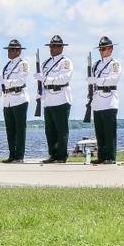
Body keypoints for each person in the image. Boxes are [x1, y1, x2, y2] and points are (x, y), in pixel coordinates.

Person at [38, 35, 73, 164]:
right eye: (52, 46)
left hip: (61, 97)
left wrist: (46, 80)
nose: (53, 49)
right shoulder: (45, 63)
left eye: (56, 46)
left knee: (61, 130)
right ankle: (53, 154)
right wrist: (40, 91)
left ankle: (62, 155)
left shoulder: (65, 62)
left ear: (62, 48)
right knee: (50, 130)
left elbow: (64, 78)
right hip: (48, 99)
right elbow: (42, 82)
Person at [88, 36, 121, 165]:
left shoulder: (114, 64)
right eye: (100, 49)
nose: (101, 51)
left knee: (109, 131)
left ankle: (111, 156)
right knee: (100, 132)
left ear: (111, 49)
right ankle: (102, 156)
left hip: (109, 99)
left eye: (104, 48)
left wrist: (97, 81)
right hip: (97, 99)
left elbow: (113, 79)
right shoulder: (96, 64)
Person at [0, 39, 31, 163]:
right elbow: (3, 82)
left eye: (12, 50)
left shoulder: (23, 64)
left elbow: (21, 81)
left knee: (20, 129)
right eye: (9, 49)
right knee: (10, 129)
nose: (9, 52)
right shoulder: (7, 65)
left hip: (19, 97)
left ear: (18, 51)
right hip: (8, 99)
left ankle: (19, 156)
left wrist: (5, 82)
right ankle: (12, 155)